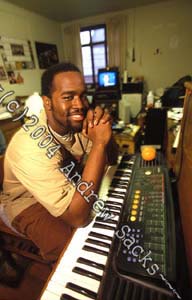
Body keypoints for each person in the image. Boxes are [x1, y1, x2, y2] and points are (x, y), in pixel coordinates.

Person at [0, 62, 118, 262]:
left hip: (63, 184)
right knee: (73, 248)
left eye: (82, 95)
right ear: (47, 102)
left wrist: (106, 133)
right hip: (25, 201)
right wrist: (99, 144)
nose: (79, 104)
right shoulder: (30, 147)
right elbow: (77, 218)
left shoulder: (73, 122)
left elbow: (112, 159)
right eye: (68, 97)